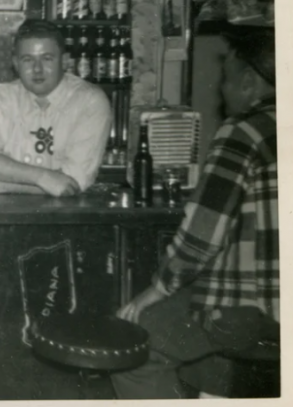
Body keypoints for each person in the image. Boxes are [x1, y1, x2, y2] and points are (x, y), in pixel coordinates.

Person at [111, 26, 278, 399]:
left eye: (227, 79)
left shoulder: (244, 132)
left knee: (134, 346)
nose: (221, 89)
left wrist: (153, 292)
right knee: (200, 336)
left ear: (250, 81)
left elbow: (201, 237)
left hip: (260, 312)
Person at [0, 19, 111, 196]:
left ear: (65, 61)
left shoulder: (89, 100)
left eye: (47, 58)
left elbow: (72, 182)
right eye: (27, 60)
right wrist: (42, 178)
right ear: (16, 64)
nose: (37, 69)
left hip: (67, 217)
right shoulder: (6, 96)